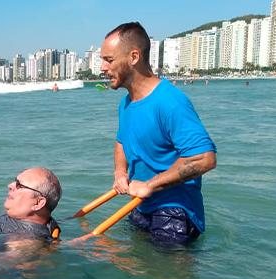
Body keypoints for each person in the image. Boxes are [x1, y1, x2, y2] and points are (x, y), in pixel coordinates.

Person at [80, 22, 217, 246]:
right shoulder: (126, 103)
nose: (102, 68)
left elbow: (205, 158)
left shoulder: (170, 102)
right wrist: (120, 172)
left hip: (175, 212)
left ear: (134, 57)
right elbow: (121, 141)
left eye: (109, 59)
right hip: (141, 204)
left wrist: (150, 185)